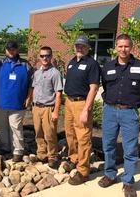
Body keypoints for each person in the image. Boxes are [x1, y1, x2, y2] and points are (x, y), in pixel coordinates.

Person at [99, 34, 140, 197]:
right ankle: (110, 174)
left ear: (131, 47)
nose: (123, 49)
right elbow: (105, 88)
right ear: (116, 47)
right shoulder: (107, 67)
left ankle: (128, 182)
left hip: (129, 112)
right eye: (120, 46)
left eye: (126, 46)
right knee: (108, 145)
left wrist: (134, 105)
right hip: (109, 111)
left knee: (130, 149)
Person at [63, 35, 101, 185]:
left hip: (81, 104)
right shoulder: (72, 62)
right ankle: (74, 158)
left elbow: (93, 88)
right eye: (77, 45)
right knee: (70, 133)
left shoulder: (92, 64)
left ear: (88, 48)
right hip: (69, 102)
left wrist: (86, 109)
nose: (79, 48)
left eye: (82, 46)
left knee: (83, 137)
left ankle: (83, 171)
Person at [0, 42, 33, 162]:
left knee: (16, 127)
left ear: (17, 50)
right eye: (9, 49)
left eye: (14, 49)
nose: (11, 51)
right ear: (5, 50)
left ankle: (18, 150)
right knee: (1, 126)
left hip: (18, 103)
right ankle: (5, 146)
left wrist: (29, 97)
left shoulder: (26, 65)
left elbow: (32, 83)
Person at [32, 46, 63, 169]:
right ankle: (41, 153)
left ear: (51, 57)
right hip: (36, 108)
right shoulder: (37, 73)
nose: (45, 58)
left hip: (48, 108)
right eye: (42, 56)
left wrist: (56, 111)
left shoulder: (55, 73)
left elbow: (58, 93)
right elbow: (34, 88)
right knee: (38, 133)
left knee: (50, 134)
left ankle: (52, 156)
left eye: (47, 56)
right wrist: (32, 104)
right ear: (39, 57)